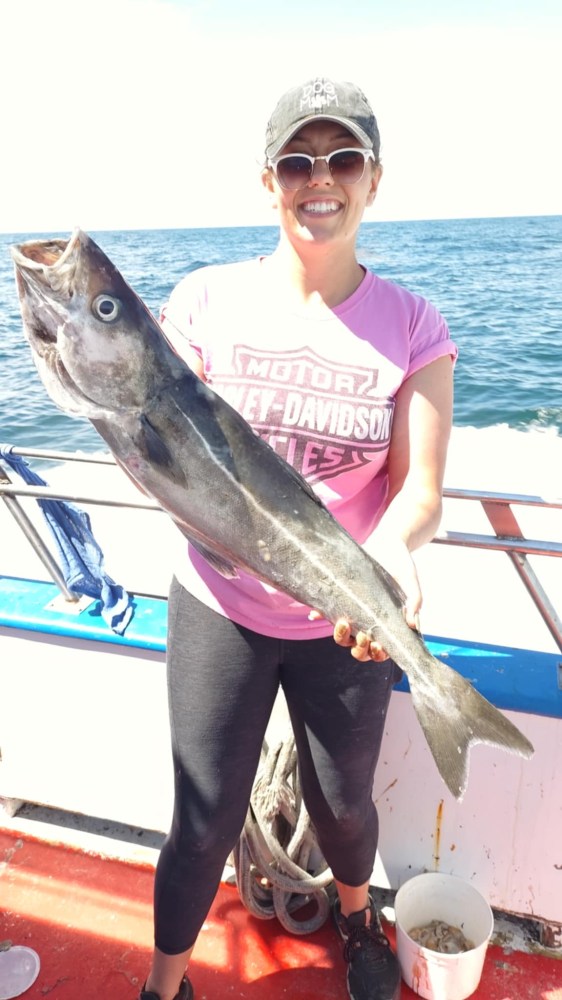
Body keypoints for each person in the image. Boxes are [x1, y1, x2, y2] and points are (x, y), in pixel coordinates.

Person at [139, 77, 456, 1000]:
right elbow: (160, 447)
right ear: (268, 182)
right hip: (220, 609)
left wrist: (391, 559)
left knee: (347, 806)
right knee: (200, 823)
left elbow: (420, 490)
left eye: (343, 159)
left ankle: (357, 921)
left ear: (375, 180)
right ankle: (165, 985)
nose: (322, 179)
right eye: (298, 162)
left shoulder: (414, 326)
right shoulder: (200, 303)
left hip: (343, 623)